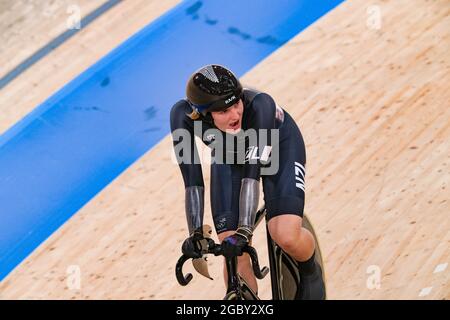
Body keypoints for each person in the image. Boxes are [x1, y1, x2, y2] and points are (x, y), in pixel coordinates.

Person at [170, 64, 325, 299]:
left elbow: (252, 173)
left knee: (284, 234)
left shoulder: (261, 105)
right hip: (229, 154)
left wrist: (244, 231)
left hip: (278, 147)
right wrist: (196, 234)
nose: (234, 115)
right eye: (223, 111)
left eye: (236, 104)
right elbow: (192, 179)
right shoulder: (181, 116)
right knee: (232, 253)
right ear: (201, 114)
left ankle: (310, 269)